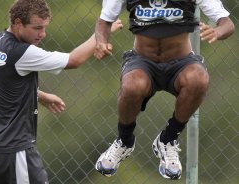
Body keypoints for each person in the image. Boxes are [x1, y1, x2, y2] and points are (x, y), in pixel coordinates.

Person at [0, 0, 123, 183]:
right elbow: (74, 60)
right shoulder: (22, 53)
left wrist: (39, 95)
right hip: (13, 150)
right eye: (37, 28)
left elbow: (4, 84)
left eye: (44, 27)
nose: (42, 34)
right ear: (18, 23)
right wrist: (101, 34)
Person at [94, 0, 234, 180]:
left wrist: (217, 31)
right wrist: (101, 42)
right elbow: (104, 21)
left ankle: (167, 139)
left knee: (198, 79)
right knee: (132, 86)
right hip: (142, 60)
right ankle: (124, 141)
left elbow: (227, 23)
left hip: (181, 62)